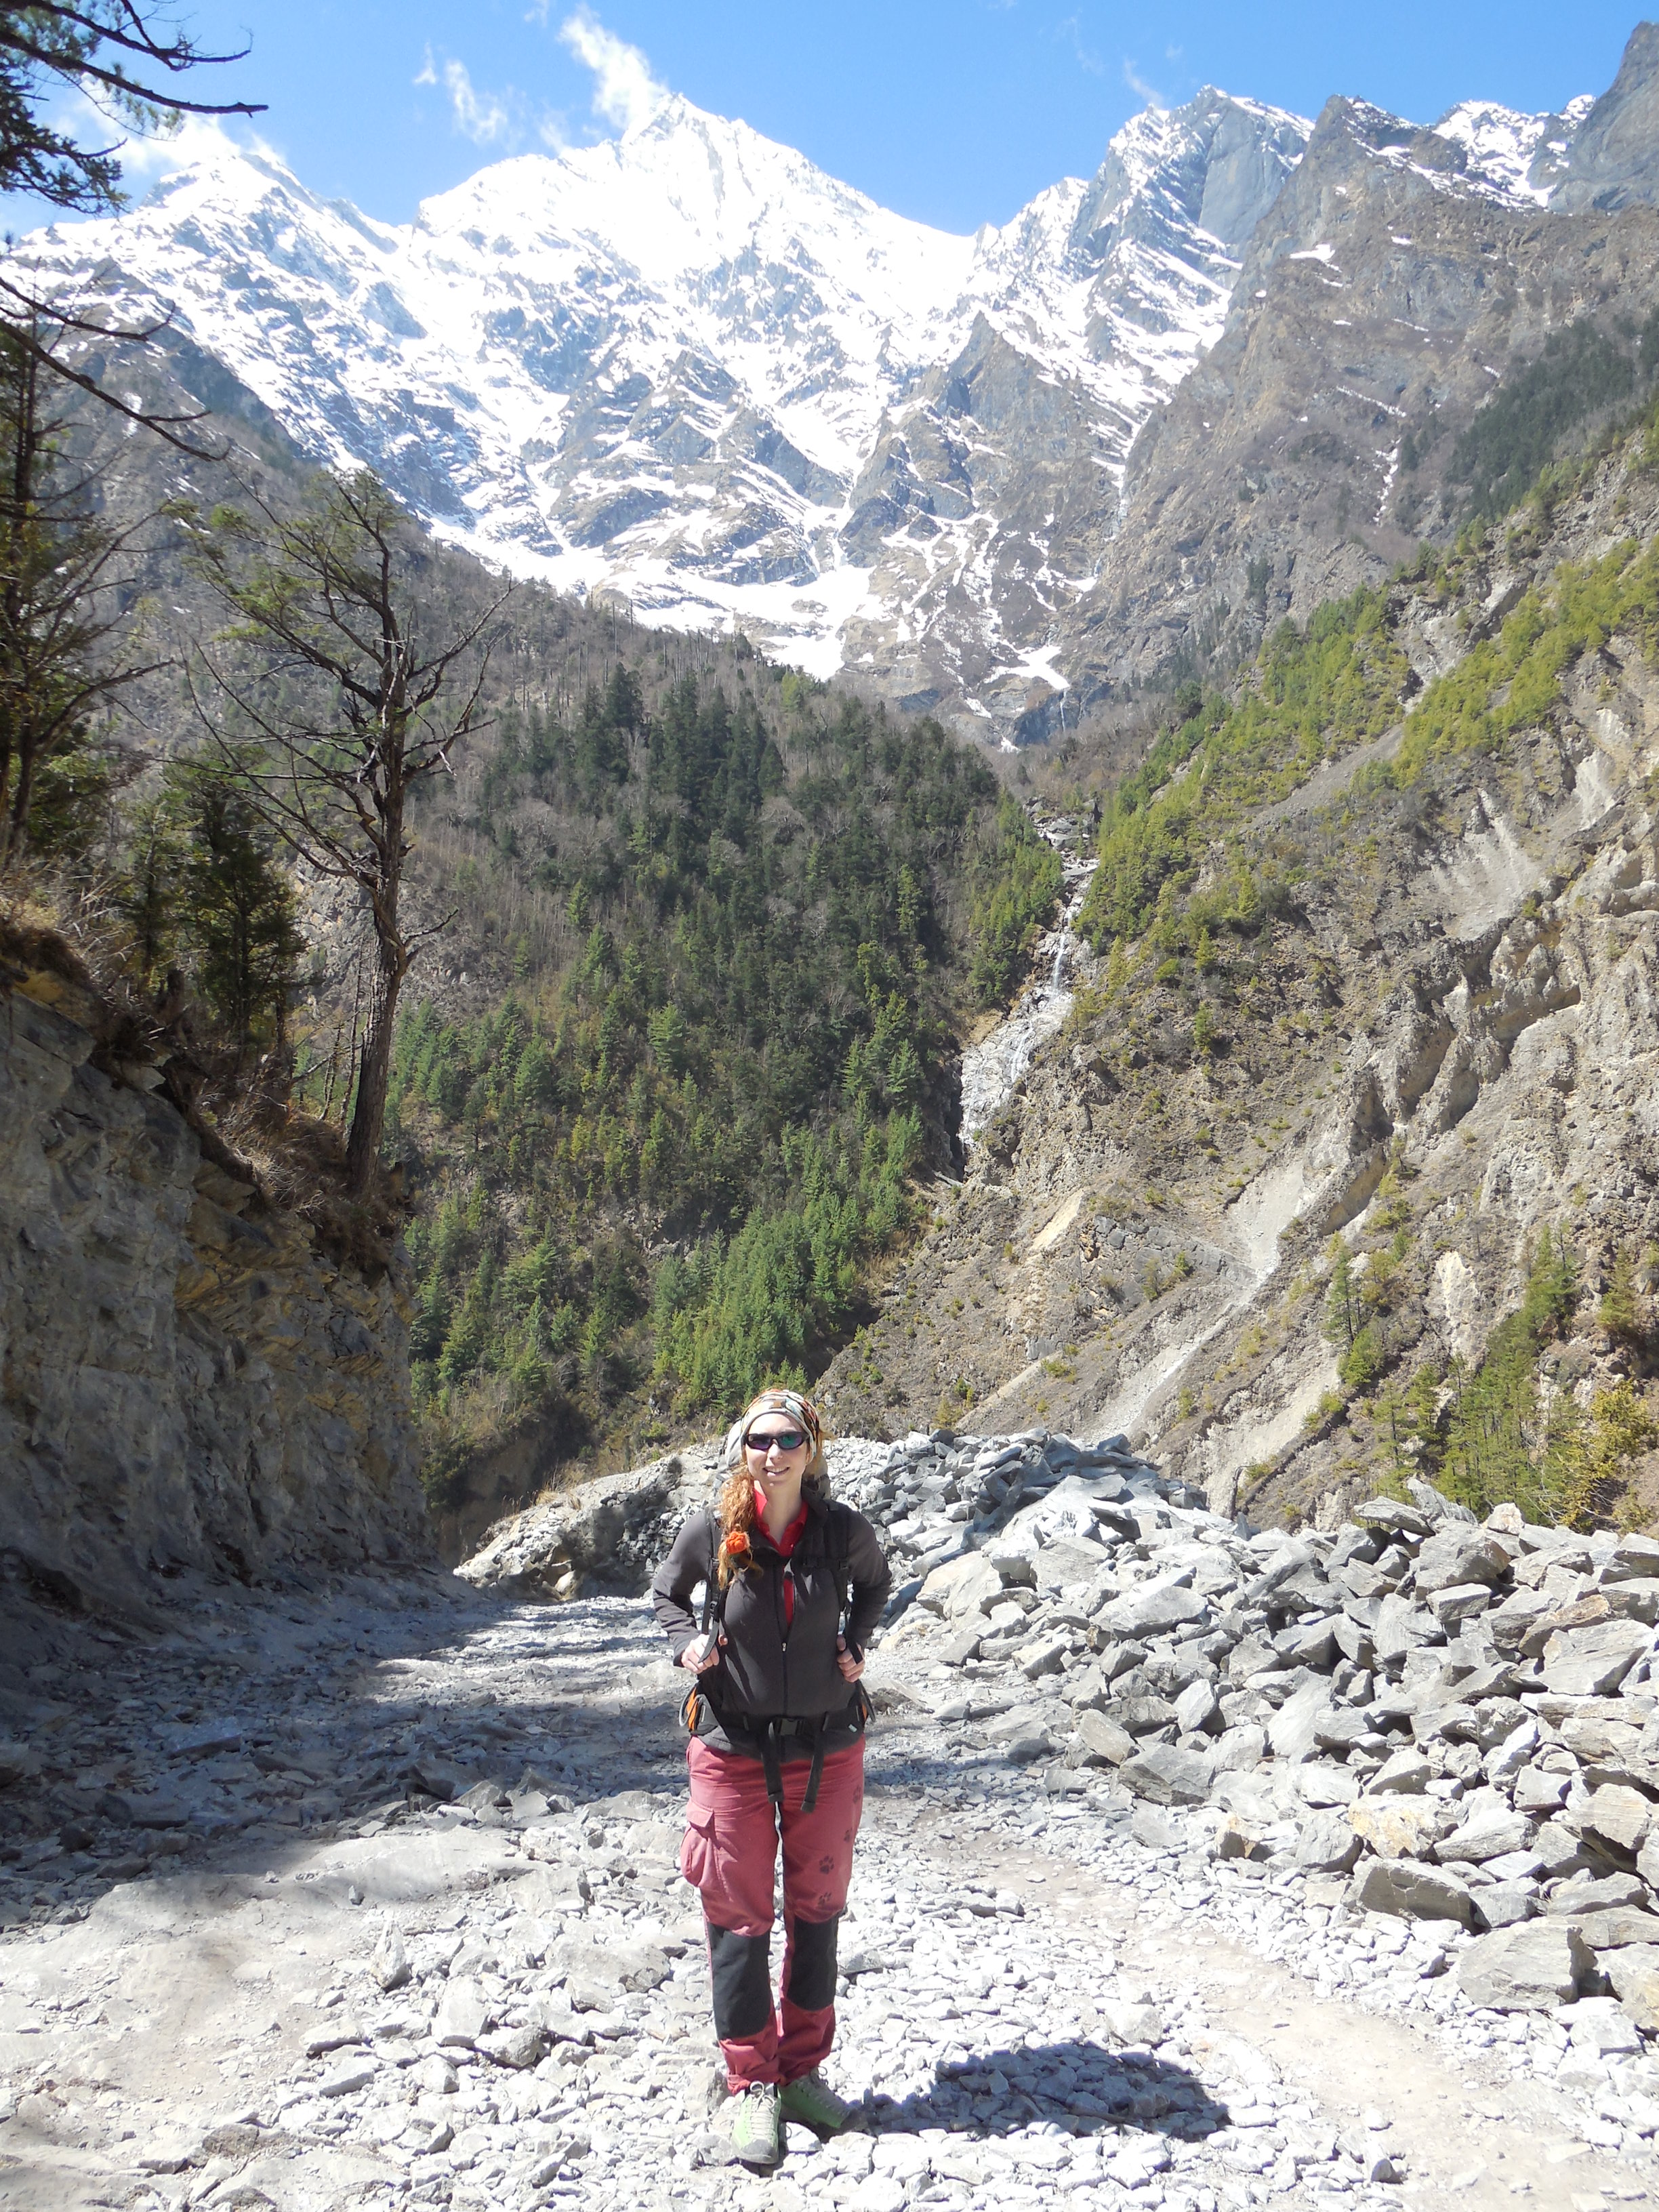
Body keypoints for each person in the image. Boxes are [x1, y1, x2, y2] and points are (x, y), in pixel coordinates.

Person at [651, 1386, 892, 2170]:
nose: (775, 1453)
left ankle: (803, 2072)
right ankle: (752, 2080)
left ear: (811, 1449)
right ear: (742, 1450)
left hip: (828, 1747)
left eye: (789, 1439)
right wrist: (685, 1644)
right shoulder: (713, 1532)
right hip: (732, 1748)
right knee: (740, 1914)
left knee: (818, 1910)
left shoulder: (842, 1532)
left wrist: (858, 1642)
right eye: (760, 1440)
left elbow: (878, 1585)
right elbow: (665, 1595)